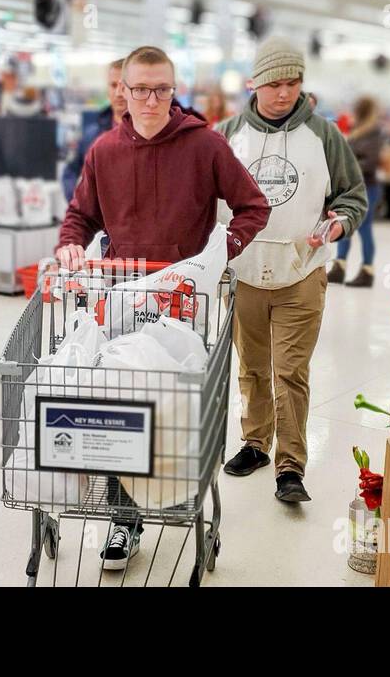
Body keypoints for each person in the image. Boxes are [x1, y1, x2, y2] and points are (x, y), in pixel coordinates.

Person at [56, 45, 270, 569]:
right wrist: (68, 243)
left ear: (174, 91)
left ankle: (172, 493)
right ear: (122, 92)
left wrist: (219, 255)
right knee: (120, 408)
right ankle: (124, 520)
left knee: (171, 406)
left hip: (182, 304)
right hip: (121, 301)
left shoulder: (204, 146)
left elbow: (253, 206)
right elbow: (81, 216)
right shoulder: (104, 151)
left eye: (162, 89)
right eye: (140, 89)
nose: (151, 99)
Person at [215, 36, 367, 502]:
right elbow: (204, 199)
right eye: (275, 83)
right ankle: (256, 444)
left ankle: (290, 466)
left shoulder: (324, 135)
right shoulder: (226, 134)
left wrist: (336, 227)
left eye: (294, 82)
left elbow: (352, 196)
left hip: (302, 273)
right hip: (244, 274)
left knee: (290, 371)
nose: (285, 93)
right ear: (253, 83)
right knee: (252, 368)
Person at [327, 96, 381, 288]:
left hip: (369, 186)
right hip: (354, 186)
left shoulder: (372, 132)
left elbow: (371, 162)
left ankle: (367, 271)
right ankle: (339, 267)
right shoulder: (357, 130)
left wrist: (348, 166)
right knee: (345, 224)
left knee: (364, 229)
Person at [61, 58, 125, 201]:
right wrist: (78, 203)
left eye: (125, 87)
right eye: (114, 85)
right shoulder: (92, 134)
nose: (119, 93)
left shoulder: (147, 135)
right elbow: (71, 170)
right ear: (107, 89)